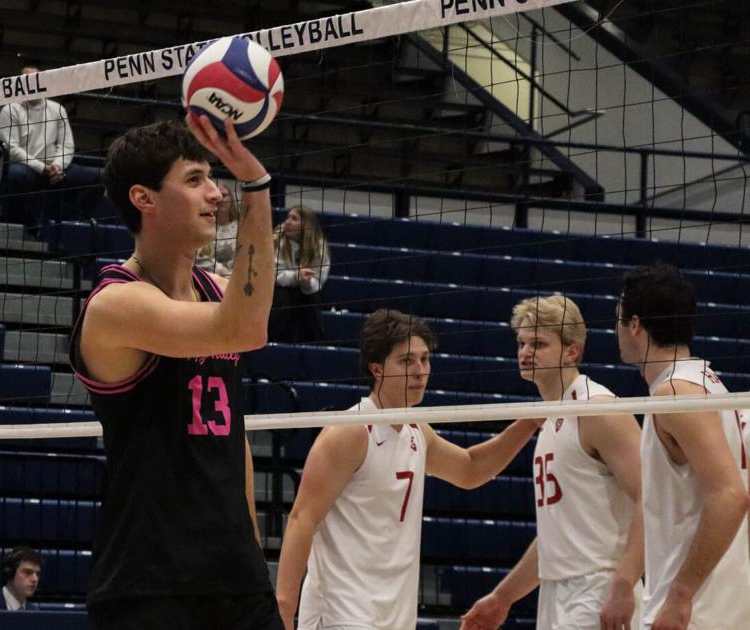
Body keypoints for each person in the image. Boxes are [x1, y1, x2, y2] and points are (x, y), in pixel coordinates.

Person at [70, 115, 280, 629]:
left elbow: (232, 437)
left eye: (214, 178)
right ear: (144, 198)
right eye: (194, 179)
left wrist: (251, 551)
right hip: (151, 582)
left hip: (237, 578)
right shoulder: (116, 304)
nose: (216, 194)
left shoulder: (216, 289)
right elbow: (246, 327)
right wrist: (256, 187)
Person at [274, 308, 541, 630]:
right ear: (377, 369)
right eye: (406, 361)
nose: (419, 371)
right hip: (342, 615)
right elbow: (302, 519)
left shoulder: (416, 430)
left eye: (425, 359)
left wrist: (529, 423)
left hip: (394, 617)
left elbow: (470, 470)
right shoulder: (350, 431)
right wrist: (284, 608)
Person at [461, 295, 644, 630]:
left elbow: (653, 498)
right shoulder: (550, 419)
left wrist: (624, 583)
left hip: (599, 588)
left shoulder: (598, 409)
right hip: (556, 592)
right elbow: (555, 538)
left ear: (571, 351)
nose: (525, 352)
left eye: (539, 344)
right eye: (522, 342)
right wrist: (502, 597)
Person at [614, 263, 750, 629]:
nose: (616, 330)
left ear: (635, 324)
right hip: (720, 606)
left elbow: (732, 496)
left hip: (696, 613)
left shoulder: (675, 392)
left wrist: (682, 593)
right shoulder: (710, 384)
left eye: (618, 318)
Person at [0, 63, 106, 230]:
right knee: (16, 175)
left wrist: (57, 166)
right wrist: (43, 168)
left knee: (99, 177)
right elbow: (11, 149)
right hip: (26, 167)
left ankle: (74, 223)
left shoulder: (57, 109)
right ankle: (32, 226)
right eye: (26, 80)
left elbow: (66, 145)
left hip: (54, 167)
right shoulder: (10, 110)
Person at [268, 205, 330, 344]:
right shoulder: (276, 240)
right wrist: (296, 276)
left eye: (294, 218)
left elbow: (318, 280)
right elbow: (273, 275)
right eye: (288, 217)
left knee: (309, 299)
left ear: (306, 225)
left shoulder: (318, 246)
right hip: (277, 290)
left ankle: (315, 345)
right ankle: (276, 343)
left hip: (305, 292)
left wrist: (306, 282)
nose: (288, 222)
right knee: (285, 298)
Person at [194, 182, 240, 277]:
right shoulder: (202, 226)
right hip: (209, 278)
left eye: (224, 195)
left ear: (232, 199)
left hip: (238, 278)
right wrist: (221, 271)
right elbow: (200, 258)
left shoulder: (241, 227)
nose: (220, 199)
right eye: (216, 196)